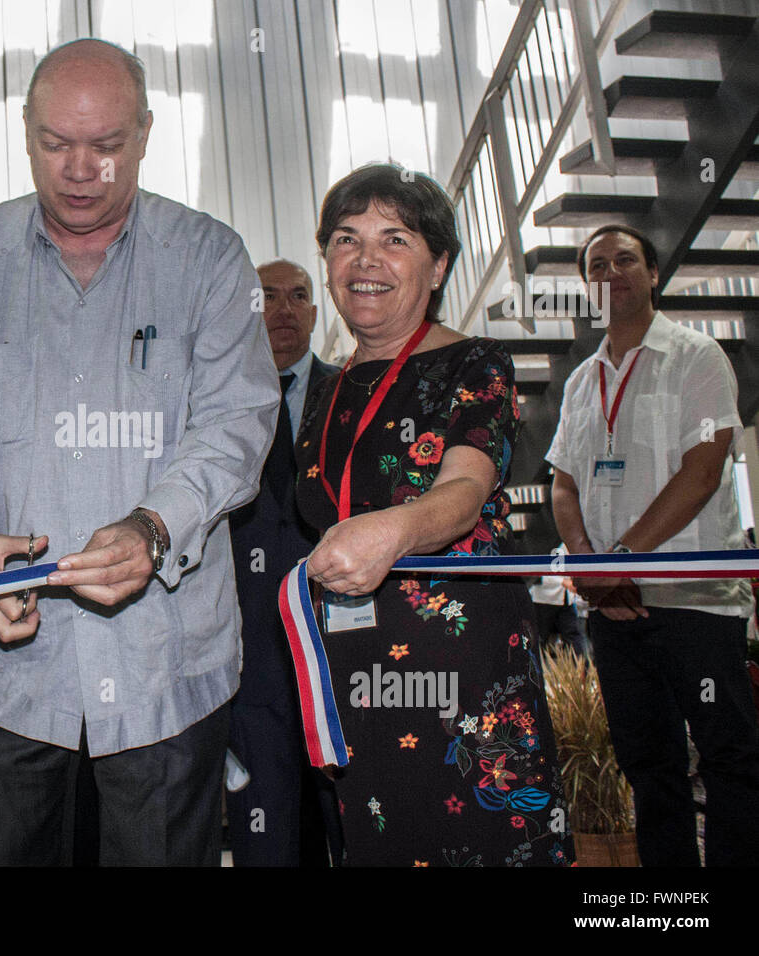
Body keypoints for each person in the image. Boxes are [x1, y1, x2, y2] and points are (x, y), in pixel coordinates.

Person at [0, 38, 279, 866]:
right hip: (7, 677)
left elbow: (237, 422)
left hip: (165, 670)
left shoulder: (208, 259)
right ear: (24, 133)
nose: (80, 168)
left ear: (147, 133)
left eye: (107, 145)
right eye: (57, 144)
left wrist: (155, 528)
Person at [294, 163, 572, 867]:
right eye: (346, 239)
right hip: (356, 663)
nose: (366, 260)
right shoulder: (323, 393)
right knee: (385, 833)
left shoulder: (476, 363)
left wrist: (394, 529)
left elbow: (463, 491)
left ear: (439, 263)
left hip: (460, 661)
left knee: (484, 836)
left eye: (395, 239)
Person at [548, 224, 759, 866]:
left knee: (729, 760)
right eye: (596, 266)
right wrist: (591, 568)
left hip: (695, 606)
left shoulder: (698, 357)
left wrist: (619, 565)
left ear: (653, 274)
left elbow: (701, 470)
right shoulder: (582, 381)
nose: (611, 273)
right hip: (614, 612)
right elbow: (562, 483)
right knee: (648, 766)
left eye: (625, 260)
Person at [226, 259, 343, 866]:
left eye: (299, 296)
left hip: (339, 651)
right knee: (263, 833)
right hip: (251, 654)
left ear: (315, 312)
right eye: (268, 297)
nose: (284, 310)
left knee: (349, 827)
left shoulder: (351, 392)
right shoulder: (212, 402)